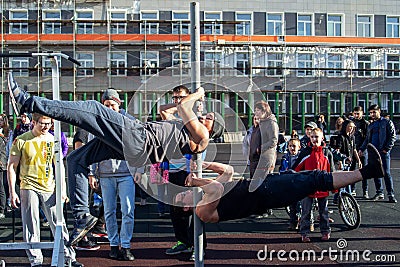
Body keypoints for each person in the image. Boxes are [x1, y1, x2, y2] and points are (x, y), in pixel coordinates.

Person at [8, 72, 225, 246]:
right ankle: (82, 216)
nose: (205, 116)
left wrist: (198, 94)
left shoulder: (202, 137)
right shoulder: (184, 127)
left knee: (94, 108)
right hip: (136, 147)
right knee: (76, 160)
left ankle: (29, 103)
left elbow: (184, 107)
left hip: (140, 138)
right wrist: (182, 101)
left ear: (213, 129)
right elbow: (165, 110)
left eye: (210, 118)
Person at [176, 143, 384, 224]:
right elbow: (217, 187)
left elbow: (228, 172)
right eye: (182, 195)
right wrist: (195, 179)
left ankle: (368, 171)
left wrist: (203, 164)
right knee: (316, 180)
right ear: (186, 206)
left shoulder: (203, 197)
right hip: (267, 195)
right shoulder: (202, 211)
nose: (186, 190)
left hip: (264, 184)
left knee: (314, 176)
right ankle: (368, 171)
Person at [7, 113, 83, 267]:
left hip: (49, 185)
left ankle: (68, 256)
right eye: (42, 123)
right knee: (31, 223)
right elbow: (12, 166)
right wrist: (12, 192)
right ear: (33, 122)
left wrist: (62, 189)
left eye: (48, 123)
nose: (46, 127)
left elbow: (59, 165)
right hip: (28, 185)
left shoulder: (52, 139)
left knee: (57, 222)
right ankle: (36, 260)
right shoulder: (21, 140)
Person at [88, 89, 139, 261]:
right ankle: (113, 244)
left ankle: (126, 245)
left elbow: (138, 147)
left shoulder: (129, 121)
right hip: (105, 173)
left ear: (119, 104)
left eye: (112, 105)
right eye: (106, 105)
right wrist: (92, 173)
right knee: (109, 211)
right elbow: (91, 149)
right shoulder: (96, 123)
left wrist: (138, 170)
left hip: (126, 173)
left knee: (128, 210)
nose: (109, 108)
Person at [159, 85, 207, 260]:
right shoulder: (171, 118)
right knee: (176, 209)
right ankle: (182, 241)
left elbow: (202, 145)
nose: (177, 101)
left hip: (190, 171)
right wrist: (189, 99)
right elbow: (162, 110)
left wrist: (193, 169)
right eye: (175, 98)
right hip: (173, 170)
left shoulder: (195, 119)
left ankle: (198, 246)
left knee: (194, 210)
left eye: (181, 97)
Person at [294, 128, 335, 242]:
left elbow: (332, 170)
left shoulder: (327, 152)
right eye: (312, 137)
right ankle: (304, 233)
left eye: (316, 137)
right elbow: (297, 167)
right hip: (307, 186)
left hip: (322, 186)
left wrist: (334, 187)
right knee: (306, 211)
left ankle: (325, 231)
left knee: (323, 212)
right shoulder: (305, 152)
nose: (314, 139)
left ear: (322, 138)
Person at [360, 104, 397, 203]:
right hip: (372, 152)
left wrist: (386, 148)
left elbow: (392, 136)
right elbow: (367, 139)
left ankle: (390, 194)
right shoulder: (371, 125)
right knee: (376, 173)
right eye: (371, 113)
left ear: (379, 111)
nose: (372, 114)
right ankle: (379, 192)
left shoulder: (387, 122)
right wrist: (361, 149)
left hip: (383, 152)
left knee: (386, 173)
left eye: (374, 112)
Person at [249, 101, 278, 179]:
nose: (255, 112)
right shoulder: (260, 123)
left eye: (257, 110)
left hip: (264, 158)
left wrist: (260, 148)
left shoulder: (271, 123)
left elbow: (274, 140)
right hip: (255, 158)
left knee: (261, 182)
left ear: (264, 111)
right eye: (255, 110)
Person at [279, 138, 301, 230]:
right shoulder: (286, 157)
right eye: (290, 146)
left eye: (294, 146)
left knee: (300, 205)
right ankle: (293, 222)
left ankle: (302, 221)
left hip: (300, 183)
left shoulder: (301, 157)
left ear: (299, 147)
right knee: (292, 204)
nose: (292, 148)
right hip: (290, 183)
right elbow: (282, 169)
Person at [335, 120, 362, 196]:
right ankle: (346, 196)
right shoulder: (341, 137)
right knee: (345, 181)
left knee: (347, 180)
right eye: (350, 127)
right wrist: (340, 161)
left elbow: (354, 149)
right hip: (344, 161)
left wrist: (359, 160)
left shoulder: (352, 137)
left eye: (353, 127)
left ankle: (339, 197)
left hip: (350, 161)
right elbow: (338, 150)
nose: (351, 129)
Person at [351, 106, 370, 198]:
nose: (356, 115)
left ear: (362, 113)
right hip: (352, 151)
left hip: (362, 151)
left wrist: (362, 149)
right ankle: (352, 189)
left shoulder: (365, 124)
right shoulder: (351, 123)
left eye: (358, 113)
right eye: (354, 113)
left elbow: (367, 138)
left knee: (364, 171)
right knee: (352, 171)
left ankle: (365, 190)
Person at [0, 114, 10, 219]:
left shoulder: (6, 134)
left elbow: (6, 147)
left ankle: (2, 208)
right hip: (3, 160)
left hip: (3, 161)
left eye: (1, 120)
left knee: (2, 186)